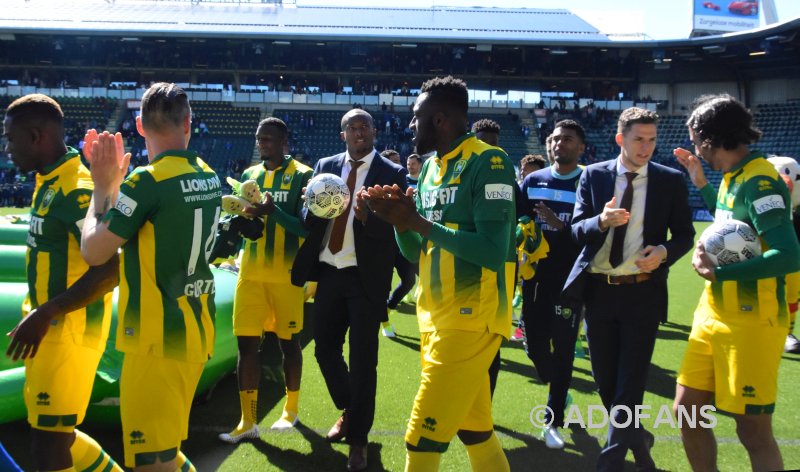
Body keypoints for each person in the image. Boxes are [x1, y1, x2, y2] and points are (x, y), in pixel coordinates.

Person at [360, 76, 515, 471]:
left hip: (470, 319)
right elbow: (416, 251)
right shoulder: (428, 169)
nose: (411, 125)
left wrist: (419, 222)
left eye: (417, 117)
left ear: (441, 119)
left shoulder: (489, 161)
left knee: (420, 438)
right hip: (434, 316)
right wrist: (399, 221)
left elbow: (494, 253)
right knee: (475, 430)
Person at [80, 83, 222, 472]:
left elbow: (94, 251)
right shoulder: (208, 173)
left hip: (155, 343)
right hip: (195, 328)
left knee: (151, 462)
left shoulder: (146, 181)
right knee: (166, 453)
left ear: (140, 126)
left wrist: (102, 185)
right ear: (189, 122)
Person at [672, 94, 799, 472]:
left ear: (711, 138)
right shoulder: (732, 178)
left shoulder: (761, 182)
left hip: (751, 323)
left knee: (753, 431)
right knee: (688, 412)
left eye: (696, 139)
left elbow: (789, 254)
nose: (695, 147)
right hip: (712, 314)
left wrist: (721, 273)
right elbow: (732, 224)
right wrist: (702, 183)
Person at [563, 107, 694, 472]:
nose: (646, 147)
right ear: (620, 139)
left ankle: (611, 462)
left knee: (630, 383)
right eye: (639, 139)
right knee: (607, 383)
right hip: (599, 293)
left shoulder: (669, 180)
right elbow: (575, 231)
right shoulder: (594, 175)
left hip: (643, 294)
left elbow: (685, 234)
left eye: (652, 140)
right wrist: (600, 221)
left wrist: (664, 252)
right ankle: (636, 438)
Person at [3, 94, 121, 471]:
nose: (7, 149)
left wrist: (46, 313)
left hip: (67, 332)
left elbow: (110, 270)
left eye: (10, 138)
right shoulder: (50, 179)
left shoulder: (76, 187)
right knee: (56, 434)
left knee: (47, 445)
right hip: (49, 329)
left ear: (35, 135)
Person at [290, 108, 407, 471]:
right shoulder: (326, 164)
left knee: (363, 361)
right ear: (343, 134)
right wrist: (313, 203)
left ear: (374, 131)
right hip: (329, 271)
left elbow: (393, 231)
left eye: (365, 127)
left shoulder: (393, 173)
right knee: (324, 350)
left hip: (365, 277)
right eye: (352, 128)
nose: (359, 133)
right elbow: (307, 218)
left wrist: (363, 216)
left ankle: (359, 441)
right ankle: (351, 410)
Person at [218, 117, 313, 444]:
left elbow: (306, 229)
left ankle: (291, 409)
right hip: (251, 273)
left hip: (286, 276)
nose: (263, 145)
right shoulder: (249, 175)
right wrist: (243, 220)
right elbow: (246, 220)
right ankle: (247, 421)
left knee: (289, 344)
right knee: (247, 345)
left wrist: (273, 213)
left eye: (269, 140)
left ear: (284, 140)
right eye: (260, 139)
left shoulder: (303, 175)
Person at [518, 120, 586, 449]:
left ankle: (553, 418)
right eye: (556, 139)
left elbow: (596, 229)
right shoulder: (532, 181)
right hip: (534, 278)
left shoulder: (590, 181)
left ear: (581, 147)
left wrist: (563, 227)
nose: (560, 144)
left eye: (568, 139)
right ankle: (559, 385)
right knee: (534, 348)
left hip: (570, 278)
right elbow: (519, 222)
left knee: (563, 349)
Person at [379, 149, 415, 338]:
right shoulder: (375, 187)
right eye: (393, 162)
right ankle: (384, 322)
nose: (398, 165)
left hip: (400, 239)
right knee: (382, 285)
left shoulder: (403, 185)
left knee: (409, 281)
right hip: (381, 242)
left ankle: (389, 307)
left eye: (398, 161)